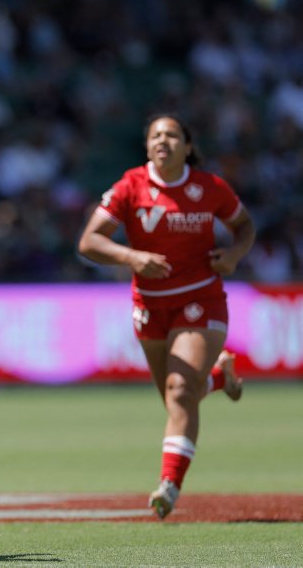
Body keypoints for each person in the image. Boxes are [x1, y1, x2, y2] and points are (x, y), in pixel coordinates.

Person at [78, 114, 255, 520]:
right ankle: (219, 377)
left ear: (187, 146)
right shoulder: (130, 186)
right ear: (147, 146)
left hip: (201, 299)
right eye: (155, 135)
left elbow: (244, 226)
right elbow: (89, 241)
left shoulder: (210, 187)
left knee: (179, 390)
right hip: (150, 306)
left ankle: (168, 487)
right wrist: (131, 256)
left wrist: (233, 254)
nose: (163, 140)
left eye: (172, 134)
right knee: (176, 399)